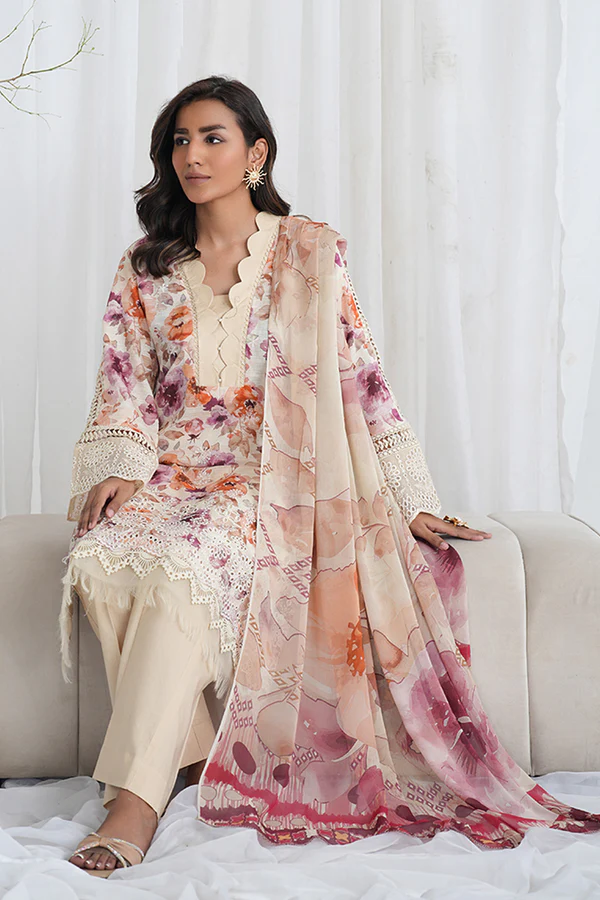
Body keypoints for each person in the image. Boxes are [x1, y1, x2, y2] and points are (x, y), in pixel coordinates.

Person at [61, 75, 599, 877]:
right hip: (174, 475)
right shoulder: (146, 265)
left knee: (176, 576)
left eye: (213, 137)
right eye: (180, 140)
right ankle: (186, 753)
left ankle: (132, 804)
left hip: (275, 482)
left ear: (256, 153)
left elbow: (363, 379)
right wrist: (120, 465)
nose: (193, 155)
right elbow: (125, 382)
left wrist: (411, 499)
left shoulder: (308, 253)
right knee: (100, 562)